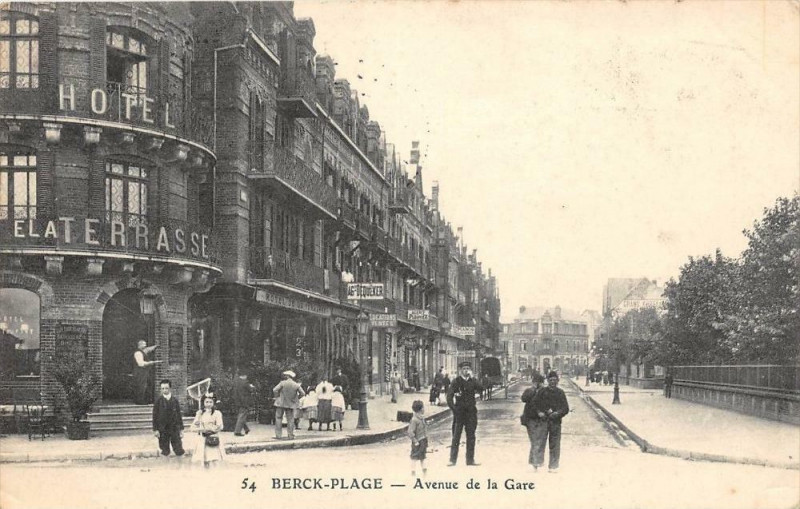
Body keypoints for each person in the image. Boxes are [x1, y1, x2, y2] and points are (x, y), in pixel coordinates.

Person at [530, 371, 570, 473]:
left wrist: (558, 413)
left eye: (555, 380)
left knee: (555, 444)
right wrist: (539, 412)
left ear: (557, 381)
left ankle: (553, 466)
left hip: (555, 422)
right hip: (543, 421)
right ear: (547, 380)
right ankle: (536, 463)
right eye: (551, 380)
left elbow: (565, 408)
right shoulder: (542, 391)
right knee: (539, 442)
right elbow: (534, 404)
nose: (553, 382)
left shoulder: (560, 393)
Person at [446, 361, 483, 466]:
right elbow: (449, 396)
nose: (466, 370)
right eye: (464, 369)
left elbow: (481, 388)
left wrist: (474, 378)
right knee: (456, 436)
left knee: (471, 436)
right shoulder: (456, 381)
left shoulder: (473, 381)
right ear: (460, 370)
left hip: (471, 413)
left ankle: (470, 460)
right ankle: (452, 460)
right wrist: (454, 409)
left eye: (468, 368)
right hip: (459, 413)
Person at [152, 379, 185, 457]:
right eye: (162, 388)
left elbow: (179, 415)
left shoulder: (175, 400)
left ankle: (180, 465)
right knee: (164, 449)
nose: (164, 390)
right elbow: (155, 416)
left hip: (174, 428)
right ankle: (165, 466)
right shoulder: (158, 401)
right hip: (163, 428)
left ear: (170, 388)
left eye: (166, 388)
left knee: (178, 447)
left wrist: (181, 429)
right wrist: (155, 429)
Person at [191, 393, 225, 468]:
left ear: (213, 403)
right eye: (206, 402)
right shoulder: (200, 413)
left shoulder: (217, 413)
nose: (208, 404)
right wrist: (198, 418)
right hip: (202, 439)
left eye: (210, 402)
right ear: (203, 403)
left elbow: (220, 426)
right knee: (204, 460)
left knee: (214, 460)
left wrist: (209, 429)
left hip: (212, 438)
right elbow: (193, 427)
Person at [520, 373, 546, 469]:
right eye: (535, 382)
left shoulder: (544, 392)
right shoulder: (529, 391)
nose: (537, 384)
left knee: (539, 440)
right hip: (530, 418)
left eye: (539, 382)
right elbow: (524, 399)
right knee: (535, 440)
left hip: (541, 419)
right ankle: (536, 462)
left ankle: (535, 461)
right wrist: (533, 389)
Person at [273, 370, 305, 439]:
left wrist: (277, 397)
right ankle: (290, 435)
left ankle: (278, 435)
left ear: (287, 376)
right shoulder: (296, 385)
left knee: (278, 418)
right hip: (291, 403)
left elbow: (275, 390)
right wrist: (296, 398)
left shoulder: (282, 383)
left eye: (285, 375)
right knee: (290, 419)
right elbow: (303, 393)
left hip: (281, 403)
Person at [133, 340, 160, 404]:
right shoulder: (138, 353)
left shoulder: (143, 351)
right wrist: (150, 363)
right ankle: (140, 401)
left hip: (144, 372)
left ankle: (145, 400)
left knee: (146, 384)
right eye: (144, 345)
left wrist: (155, 346)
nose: (145, 346)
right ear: (140, 345)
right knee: (141, 385)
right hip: (140, 372)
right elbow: (140, 363)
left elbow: (148, 349)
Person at [408, 399, 428, 478]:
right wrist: (415, 440)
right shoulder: (414, 420)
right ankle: (413, 472)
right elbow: (410, 432)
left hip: (423, 440)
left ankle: (424, 472)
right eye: (423, 407)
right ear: (420, 409)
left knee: (422, 456)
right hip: (417, 442)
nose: (424, 409)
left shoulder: (421, 418)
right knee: (414, 457)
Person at [233, 372, 254, 436]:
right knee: (242, 416)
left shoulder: (236, 382)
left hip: (238, 401)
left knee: (241, 415)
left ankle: (246, 428)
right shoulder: (245, 382)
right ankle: (237, 431)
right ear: (244, 375)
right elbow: (251, 390)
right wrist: (252, 387)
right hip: (244, 401)